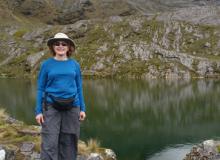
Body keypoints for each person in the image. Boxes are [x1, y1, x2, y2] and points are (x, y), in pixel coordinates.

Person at [35, 32, 86, 160]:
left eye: (64, 44)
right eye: (57, 44)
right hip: (51, 106)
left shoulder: (75, 65)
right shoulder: (46, 65)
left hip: (72, 106)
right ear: (53, 47)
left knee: (69, 140)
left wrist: (82, 108)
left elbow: (79, 87)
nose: (60, 46)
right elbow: (40, 88)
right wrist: (38, 111)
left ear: (69, 47)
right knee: (49, 140)